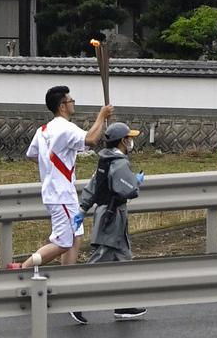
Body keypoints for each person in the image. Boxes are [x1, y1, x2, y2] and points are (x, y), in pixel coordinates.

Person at [20, 85, 113, 326]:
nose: (73, 103)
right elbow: (91, 139)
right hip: (61, 194)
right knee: (63, 241)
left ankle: (66, 287)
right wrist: (102, 116)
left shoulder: (43, 130)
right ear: (62, 106)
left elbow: (31, 155)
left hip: (60, 193)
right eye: (71, 100)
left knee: (75, 237)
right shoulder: (64, 128)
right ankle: (22, 270)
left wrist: (49, 168)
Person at [75, 121, 147, 323]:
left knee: (123, 258)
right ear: (123, 141)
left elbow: (93, 186)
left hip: (108, 213)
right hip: (113, 217)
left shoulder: (105, 160)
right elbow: (129, 190)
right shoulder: (120, 163)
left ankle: (123, 305)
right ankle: (74, 300)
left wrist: (83, 209)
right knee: (100, 259)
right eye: (129, 138)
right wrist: (136, 181)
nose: (131, 141)